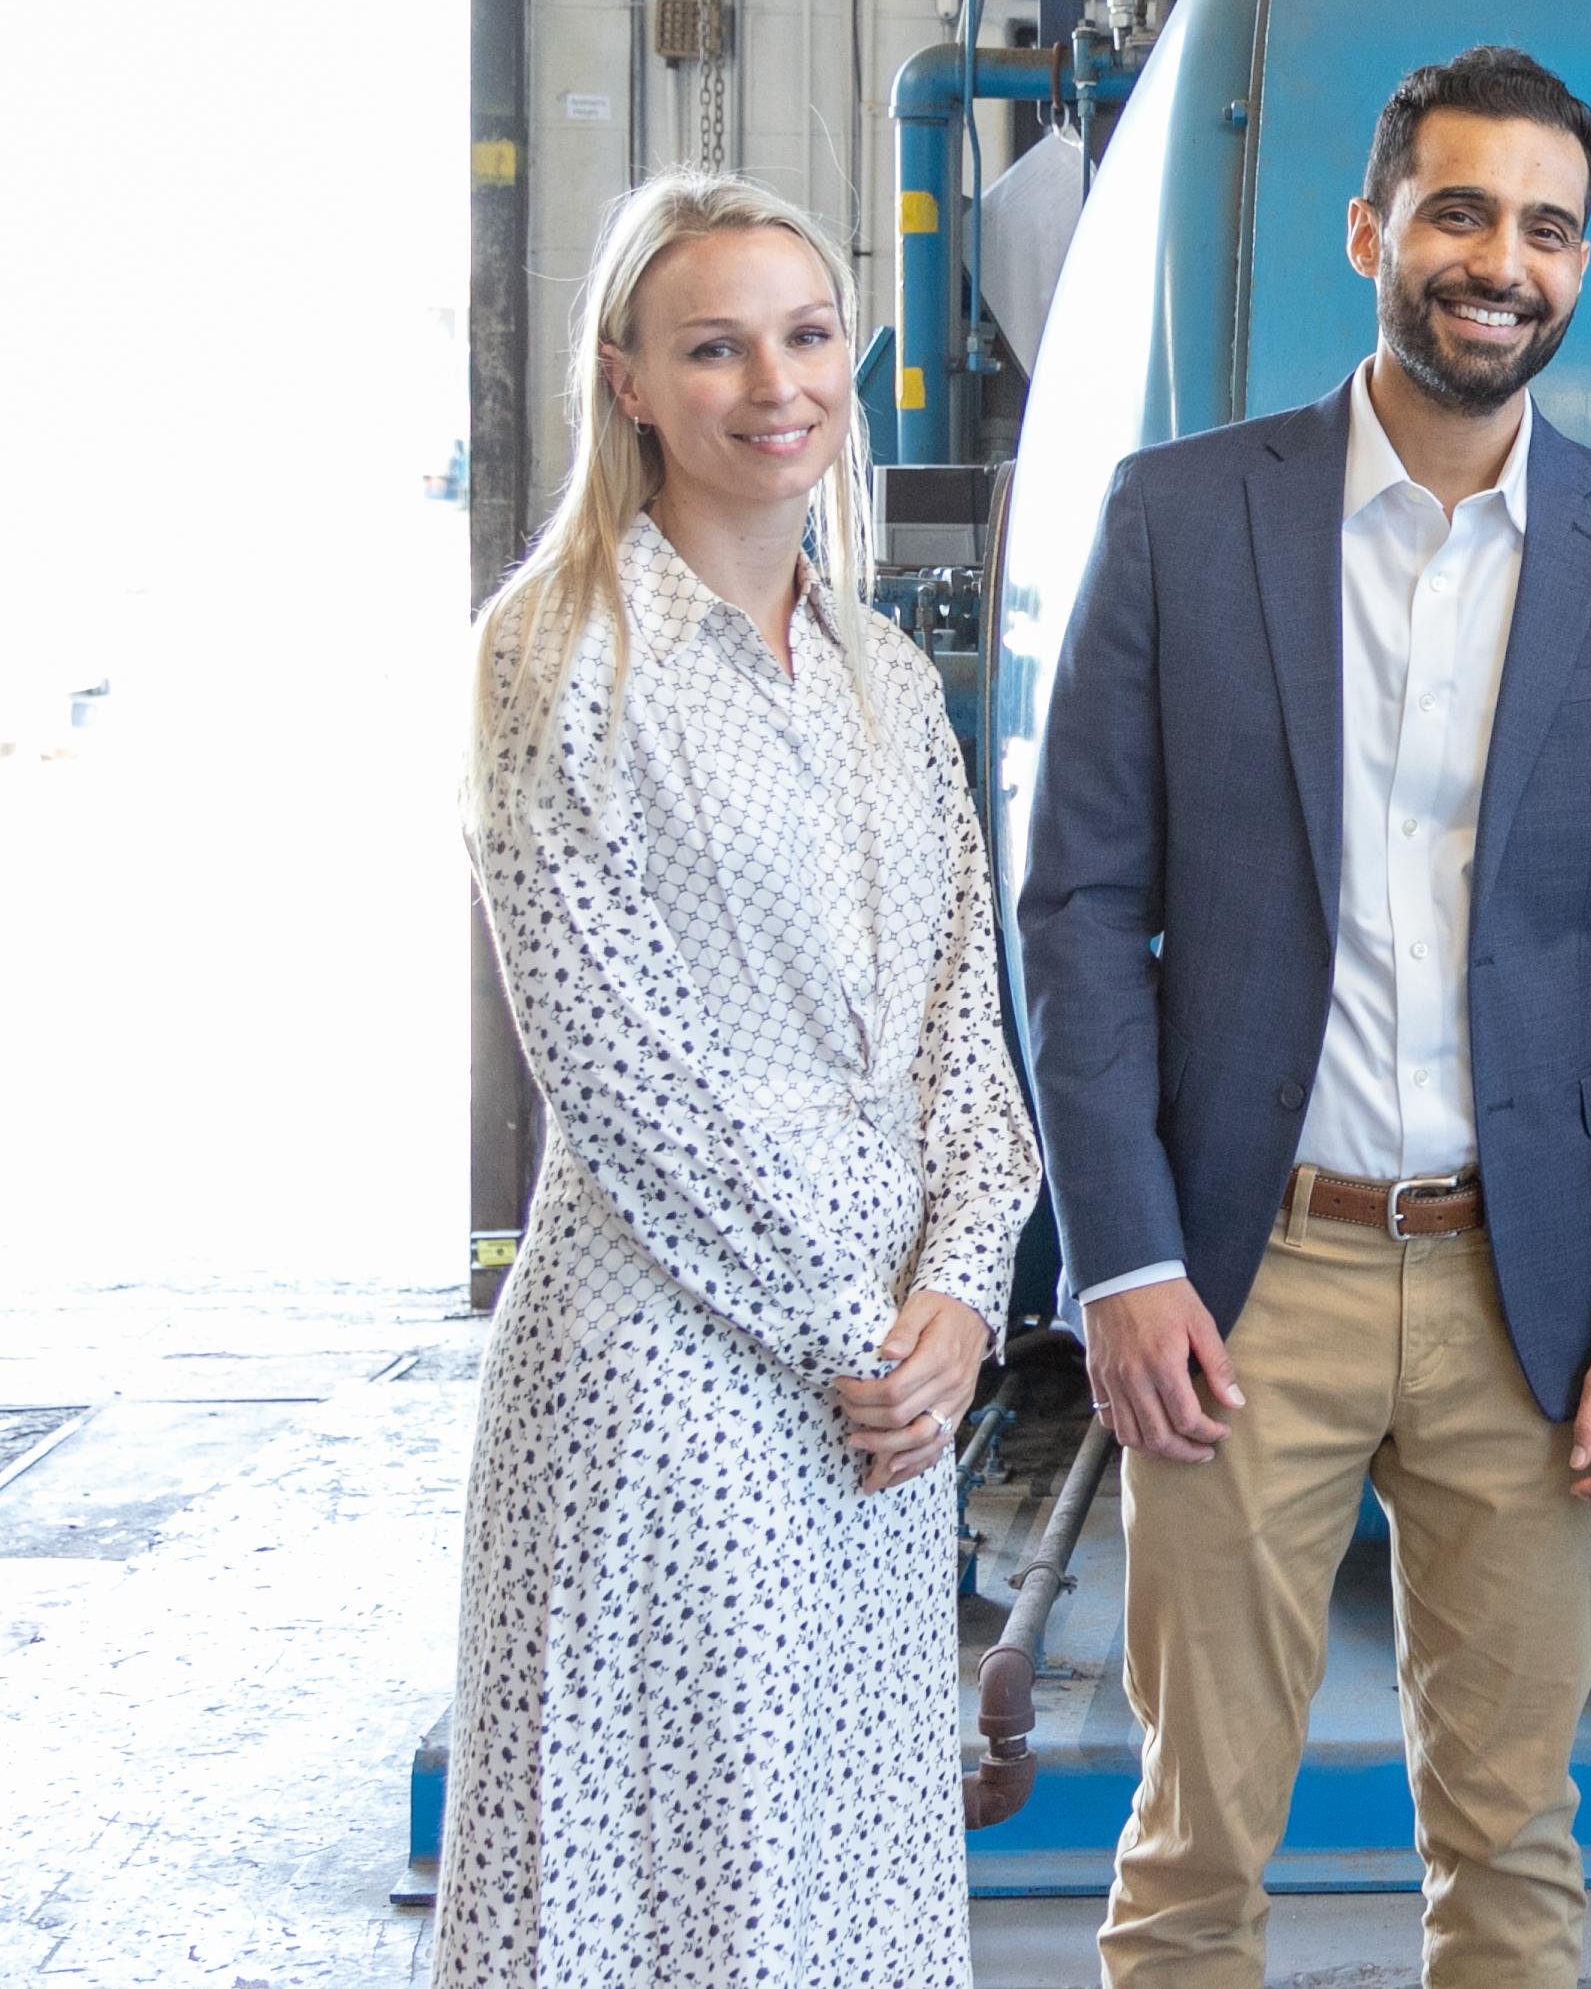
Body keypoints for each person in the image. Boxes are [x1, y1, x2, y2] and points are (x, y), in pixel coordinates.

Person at [1019, 46, 1591, 1989]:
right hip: (1249, 1277)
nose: (1497, 258)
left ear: (1578, 263)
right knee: (1193, 1843)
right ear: (1371, 231)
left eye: (1543, 224)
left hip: (1540, 1294)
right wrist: (1126, 1259)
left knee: (1512, 1841)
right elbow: (1079, 905)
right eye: (1456, 209)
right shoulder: (1184, 519)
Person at [442, 173, 1041, 1987]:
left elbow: (960, 1016)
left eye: (801, 338)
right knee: (658, 1883)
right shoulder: (558, 659)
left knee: (843, 1874)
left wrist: (962, 1285)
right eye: (712, 346)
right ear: (626, 378)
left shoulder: (879, 681)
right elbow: (622, 1070)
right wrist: (861, 1330)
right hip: (669, 1377)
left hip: (885, 1410)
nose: (771, 385)